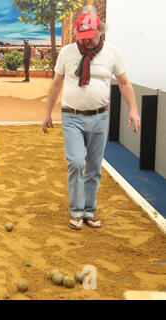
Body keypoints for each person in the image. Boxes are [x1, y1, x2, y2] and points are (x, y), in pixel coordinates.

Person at [42, 9, 141, 230]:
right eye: (82, 37)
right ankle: (76, 211)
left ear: (100, 32)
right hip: (71, 117)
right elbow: (56, 83)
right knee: (77, 162)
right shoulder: (67, 52)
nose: (86, 41)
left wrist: (133, 109)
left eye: (90, 36)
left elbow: (124, 83)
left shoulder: (113, 52)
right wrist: (48, 113)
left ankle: (89, 210)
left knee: (95, 166)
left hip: (99, 117)